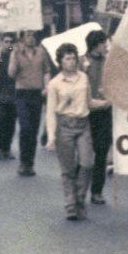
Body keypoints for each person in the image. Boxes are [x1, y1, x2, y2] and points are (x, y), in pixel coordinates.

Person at [45, 43, 107, 220]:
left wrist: (106, 103)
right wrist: (51, 136)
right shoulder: (54, 84)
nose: (71, 62)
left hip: (83, 124)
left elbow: (90, 102)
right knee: (68, 168)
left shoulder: (83, 78)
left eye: (73, 58)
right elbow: (50, 112)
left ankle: (80, 197)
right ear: (60, 62)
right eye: (67, 59)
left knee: (87, 163)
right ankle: (71, 204)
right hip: (65, 125)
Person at [9, 30, 50, 177]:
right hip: (22, 93)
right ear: (22, 39)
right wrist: (14, 55)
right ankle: (23, 162)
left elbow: (46, 70)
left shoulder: (41, 52)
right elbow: (11, 73)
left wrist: (47, 86)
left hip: (37, 94)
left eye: (32, 35)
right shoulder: (16, 53)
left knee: (33, 130)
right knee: (25, 127)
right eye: (27, 36)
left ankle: (30, 164)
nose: (30, 38)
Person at [81, 28, 112, 205]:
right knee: (85, 156)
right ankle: (80, 190)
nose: (106, 47)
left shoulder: (109, 62)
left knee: (101, 153)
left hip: (105, 112)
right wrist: (84, 71)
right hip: (87, 113)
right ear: (95, 45)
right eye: (103, 44)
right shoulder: (83, 62)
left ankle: (97, 191)